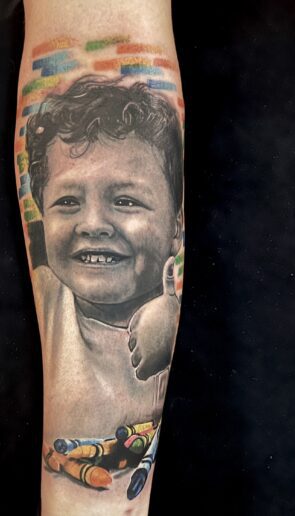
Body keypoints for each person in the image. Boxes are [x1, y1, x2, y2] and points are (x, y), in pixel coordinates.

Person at [15, 0, 184, 514]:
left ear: (177, 225)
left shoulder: (172, 310)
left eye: (126, 201)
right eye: (67, 202)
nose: (92, 223)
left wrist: (168, 313)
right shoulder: (52, 297)